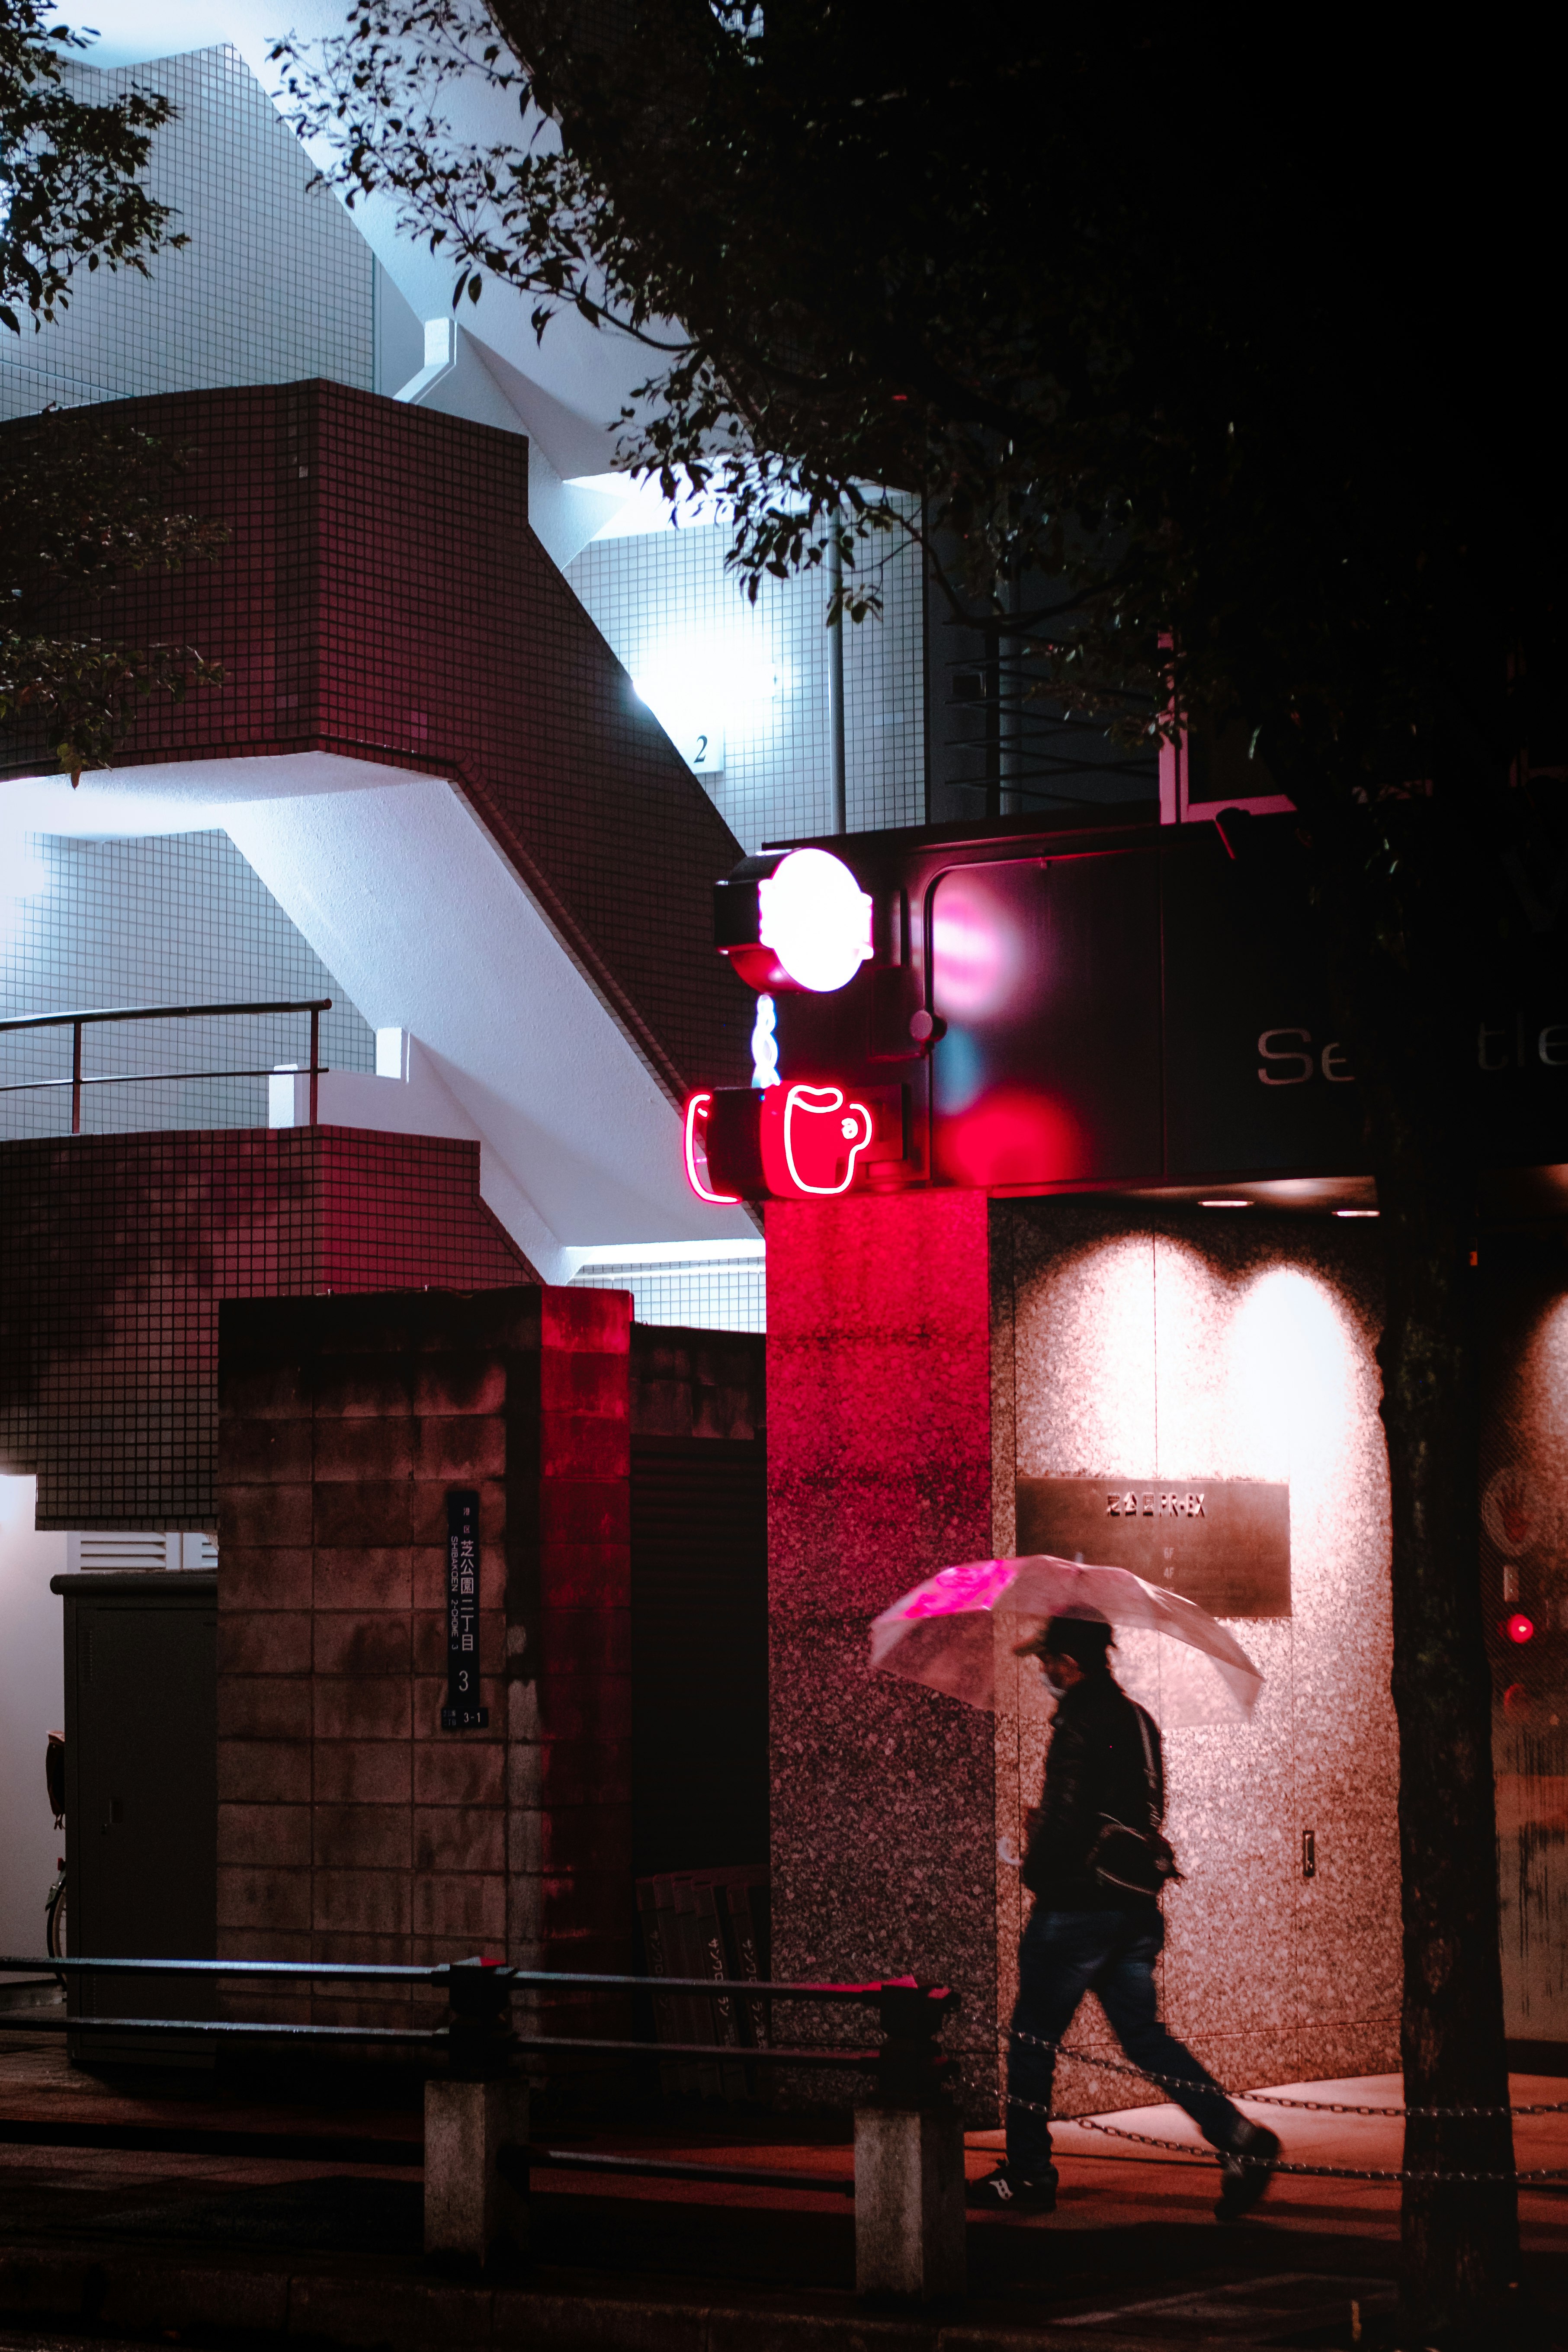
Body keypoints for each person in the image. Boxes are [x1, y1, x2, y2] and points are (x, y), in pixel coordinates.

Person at [968, 1611, 1281, 2220]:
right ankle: (1238, 2138)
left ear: (1072, 1663)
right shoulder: (1138, 1719)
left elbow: (1063, 1821)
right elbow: (1139, 1808)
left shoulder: (1078, 1723)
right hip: (1132, 1908)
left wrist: (1033, 1860)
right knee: (1144, 2037)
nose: (1042, 1671)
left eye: (1047, 1660)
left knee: (1031, 2041)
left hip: (1075, 1911)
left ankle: (1029, 2174)